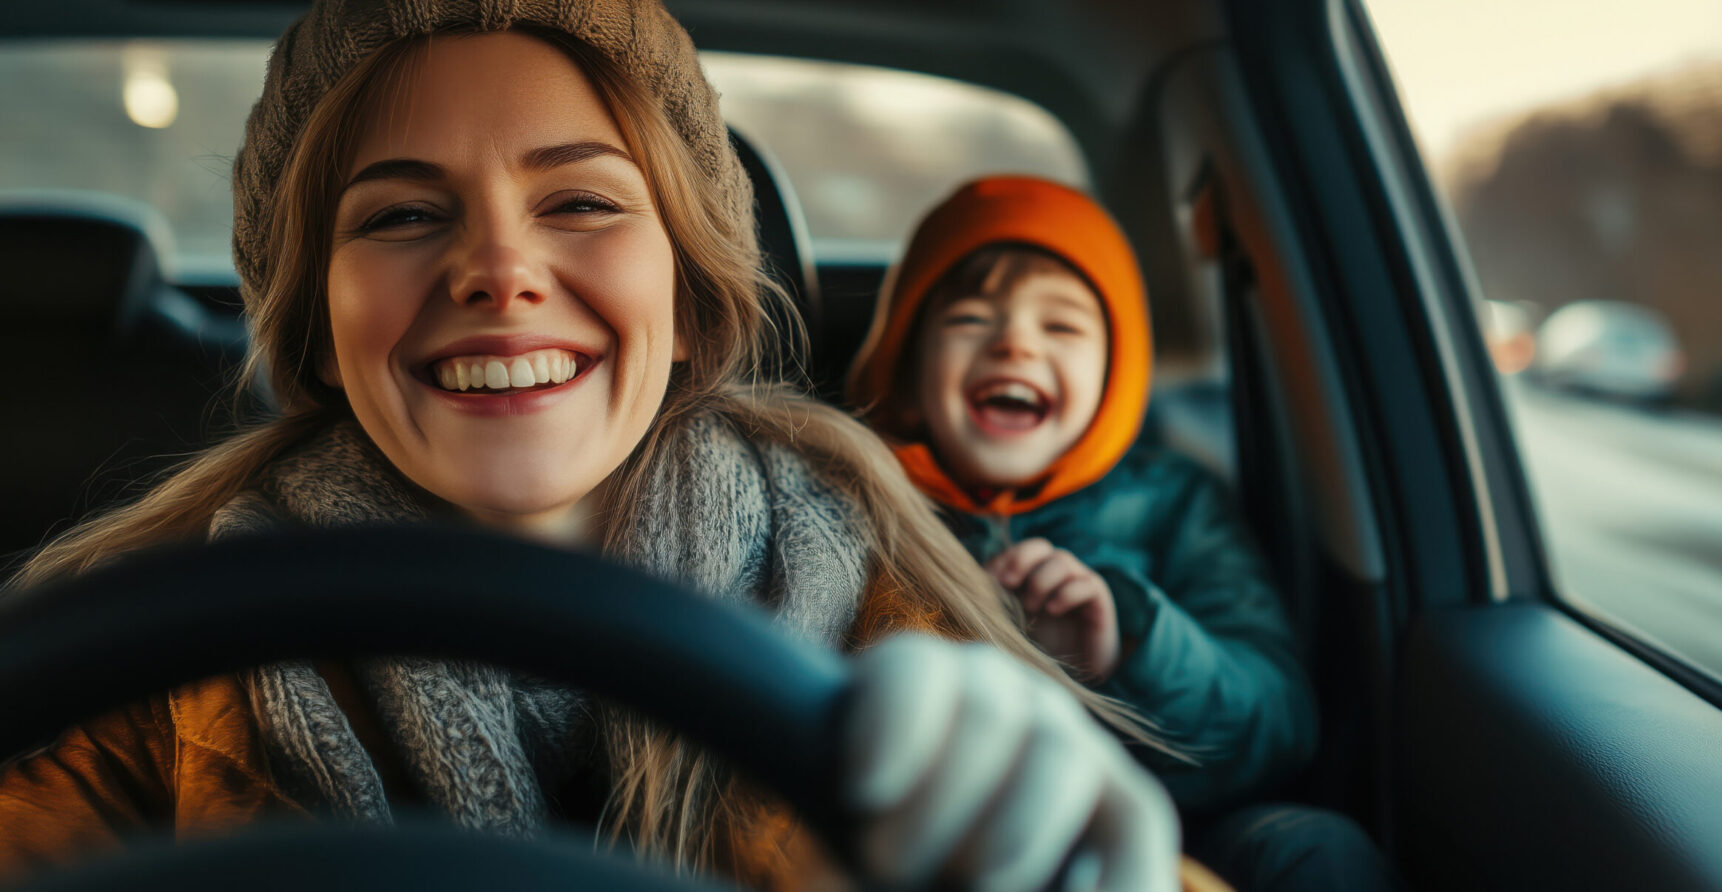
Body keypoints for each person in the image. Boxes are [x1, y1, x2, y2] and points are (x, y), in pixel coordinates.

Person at [0, 4, 1211, 891]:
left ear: (688, 302)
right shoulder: (166, 652)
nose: (497, 270)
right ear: (316, 331)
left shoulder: (882, 619)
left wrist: (1088, 859)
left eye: (579, 201)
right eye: (405, 215)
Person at [847, 176, 1397, 891]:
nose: (1014, 343)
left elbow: (1280, 725)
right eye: (971, 319)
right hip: (930, 834)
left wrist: (1130, 646)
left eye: (1063, 326)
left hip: (1166, 836)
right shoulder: (858, 500)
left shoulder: (1174, 503)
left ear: (1114, 379)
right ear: (911, 377)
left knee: (1318, 851)